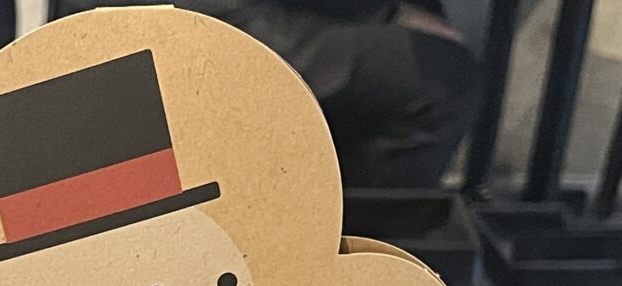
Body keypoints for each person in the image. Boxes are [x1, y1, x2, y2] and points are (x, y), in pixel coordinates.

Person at [54, 0, 483, 188]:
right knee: (443, 82)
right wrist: (385, 13)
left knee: (431, 57)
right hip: (173, 14)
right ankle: (354, 266)